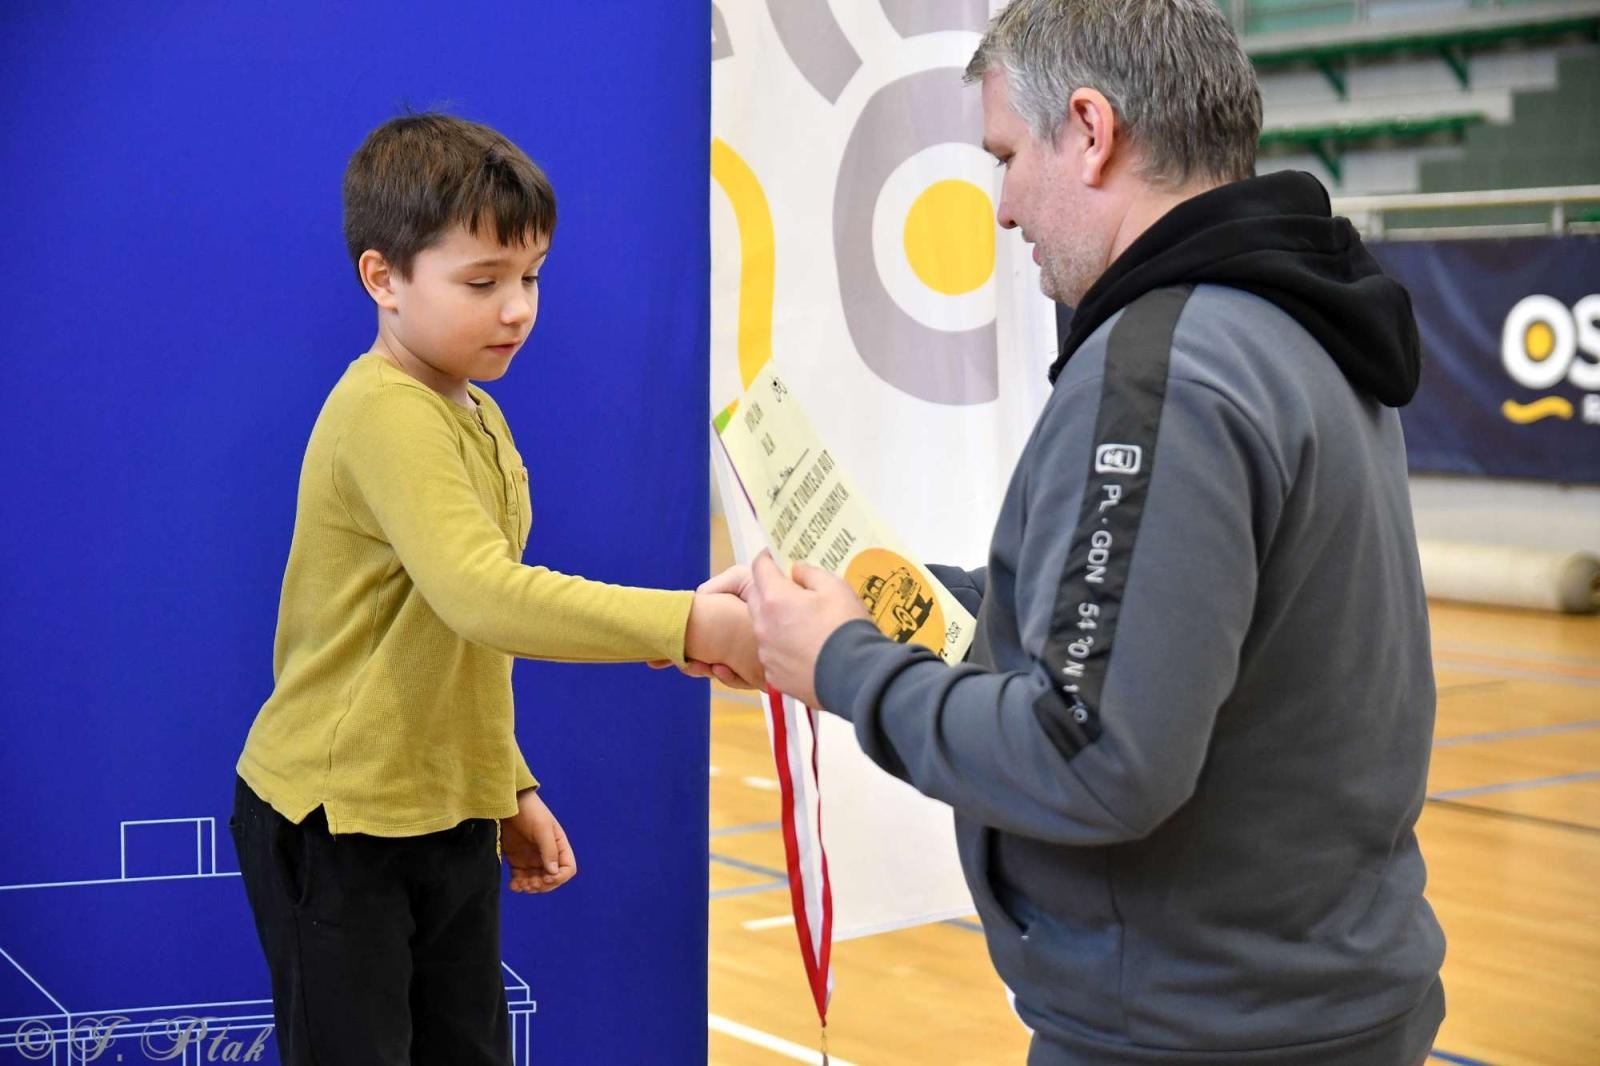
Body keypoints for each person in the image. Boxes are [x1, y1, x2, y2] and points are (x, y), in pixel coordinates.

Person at [723, 1, 1447, 1062]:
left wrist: (843, 665)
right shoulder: (1289, 322)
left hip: (1200, 1026)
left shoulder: (1165, 371)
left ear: (1091, 130)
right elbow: (1131, 622)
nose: (1005, 207)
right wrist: (864, 600)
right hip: (1298, 999)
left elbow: (1094, 757)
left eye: (1009, 157)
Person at [231, 112, 757, 1066]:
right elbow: (486, 595)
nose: (518, 308)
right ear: (382, 279)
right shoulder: (386, 415)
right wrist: (687, 622)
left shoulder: (477, 411)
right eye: (483, 282)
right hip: (339, 822)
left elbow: (456, 634)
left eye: (531, 277)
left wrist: (501, 783)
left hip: (445, 812)